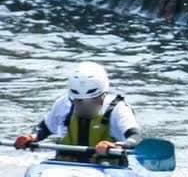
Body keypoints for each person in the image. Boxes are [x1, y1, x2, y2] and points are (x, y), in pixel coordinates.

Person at [12, 62, 142, 166]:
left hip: (106, 166)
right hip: (66, 165)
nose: (86, 106)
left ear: (103, 94)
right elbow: (44, 128)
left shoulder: (118, 108)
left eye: (93, 101)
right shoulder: (63, 104)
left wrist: (117, 145)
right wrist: (31, 137)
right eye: (79, 101)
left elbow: (135, 137)